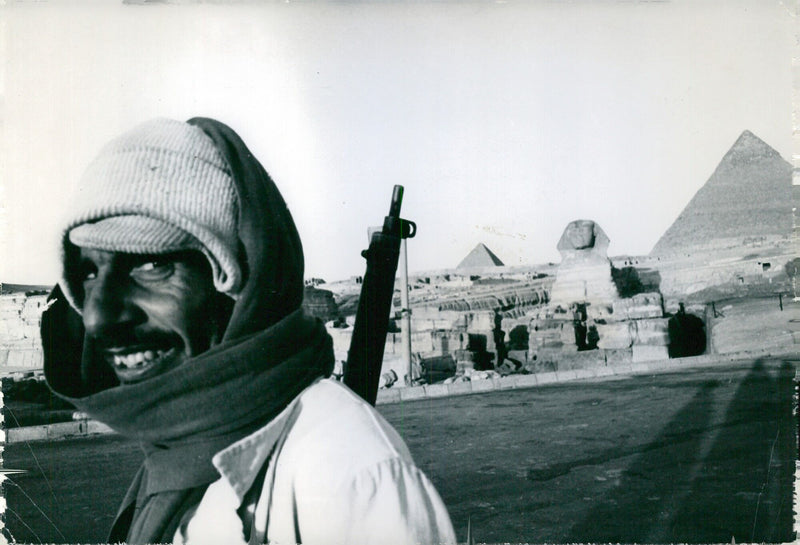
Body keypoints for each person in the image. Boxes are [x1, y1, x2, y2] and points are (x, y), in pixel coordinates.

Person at [42, 117, 456, 544]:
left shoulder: (346, 475)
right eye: (88, 272)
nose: (97, 318)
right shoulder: (181, 445)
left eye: (151, 264)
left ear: (236, 277)